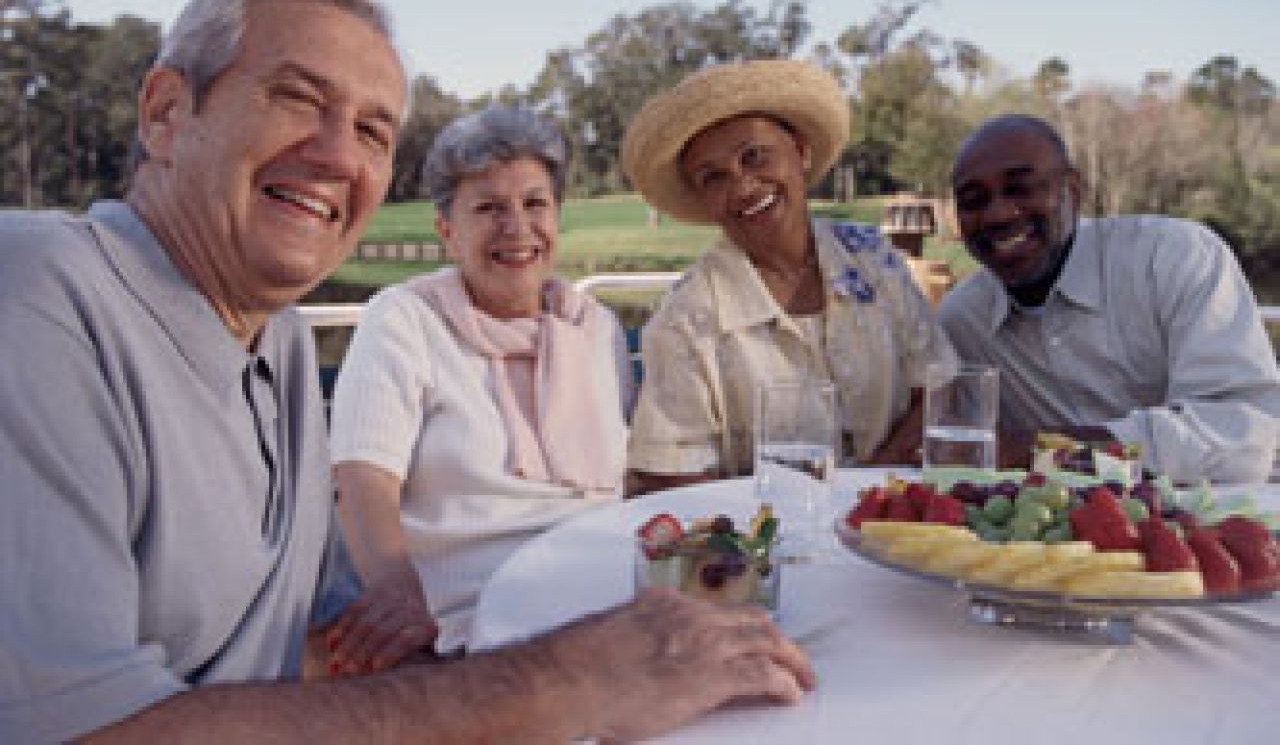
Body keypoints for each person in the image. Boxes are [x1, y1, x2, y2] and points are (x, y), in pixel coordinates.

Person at [0, 0, 813, 744]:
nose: (337, 156)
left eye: (371, 131)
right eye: (295, 98)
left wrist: (542, 682)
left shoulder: (276, 337)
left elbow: (324, 645)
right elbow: (83, 728)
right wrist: (567, 681)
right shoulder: (38, 294)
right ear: (166, 114)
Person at [325, 104, 634, 669]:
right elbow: (362, 477)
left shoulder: (595, 326)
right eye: (489, 208)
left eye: (535, 204)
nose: (517, 228)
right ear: (448, 231)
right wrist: (395, 592)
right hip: (467, 624)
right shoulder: (403, 319)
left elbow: (627, 478)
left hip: (604, 601)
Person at [620, 59, 956, 490]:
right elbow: (664, 479)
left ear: (800, 150)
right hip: (769, 546)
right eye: (713, 177)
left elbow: (940, 388)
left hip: (894, 528)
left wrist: (867, 491)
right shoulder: (685, 321)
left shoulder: (874, 259)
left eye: (754, 156)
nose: (743, 186)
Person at [938, 114, 1280, 483]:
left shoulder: (1172, 258)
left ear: (1074, 190)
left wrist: (1043, 449)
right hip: (1051, 535)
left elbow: (1242, 436)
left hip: (1217, 524)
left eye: (1021, 188)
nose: (998, 214)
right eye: (973, 201)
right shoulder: (963, 322)